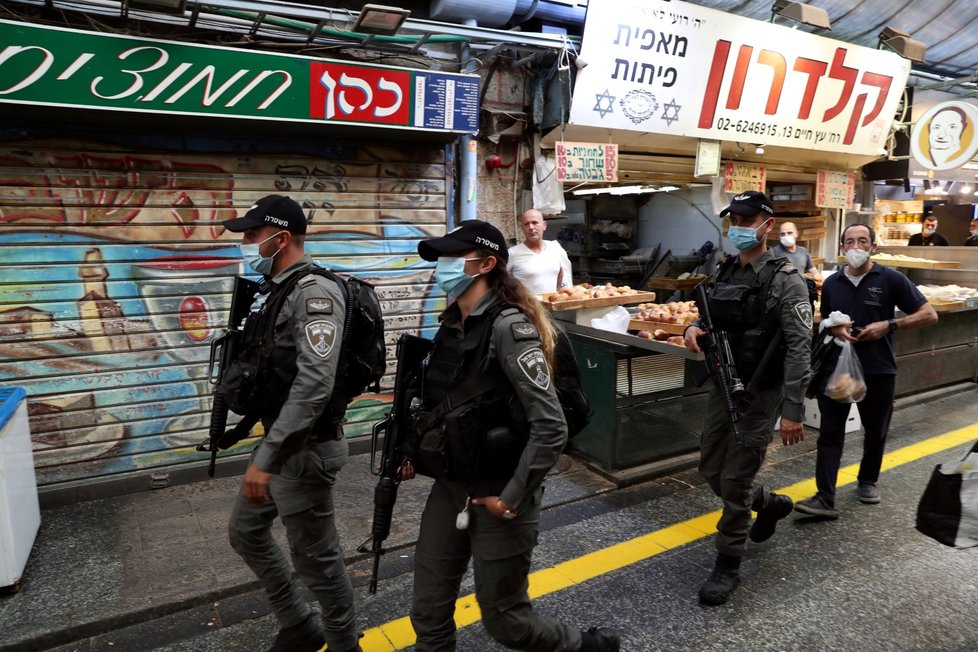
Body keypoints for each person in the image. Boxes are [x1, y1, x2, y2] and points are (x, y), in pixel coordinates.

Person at [404, 220, 619, 652]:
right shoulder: (452, 324)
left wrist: (512, 498)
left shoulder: (509, 328)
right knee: (427, 612)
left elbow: (551, 424)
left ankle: (586, 646)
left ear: (485, 264)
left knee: (507, 623)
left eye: (452, 257)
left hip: (501, 490)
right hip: (452, 487)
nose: (442, 266)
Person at [220, 195, 361, 652]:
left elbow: (314, 385)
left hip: (304, 452)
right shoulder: (274, 288)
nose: (245, 242)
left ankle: (343, 644)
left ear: (281, 238)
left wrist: (269, 454)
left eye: (251, 234)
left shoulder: (314, 293)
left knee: (317, 559)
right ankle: (299, 623)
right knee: (245, 531)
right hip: (281, 446)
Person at [683, 191, 812, 606]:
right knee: (710, 468)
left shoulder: (785, 279)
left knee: (735, 480)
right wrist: (692, 327)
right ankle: (769, 504)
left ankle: (728, 564)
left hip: (760, 393)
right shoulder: (725, 271)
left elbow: (799, 347)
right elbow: (709, 317)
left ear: (766, 224)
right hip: (724, 385)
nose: (737, 225)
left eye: (746, 218)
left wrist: (793, 410)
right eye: (733, 218)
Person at [795, 224, 938, 519]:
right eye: (850, 241)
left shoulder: (890, 278)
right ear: (843, 248)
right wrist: (832, 326)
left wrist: (890, 325)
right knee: (830, 434)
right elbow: (824, 319)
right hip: (837, 369)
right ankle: (824, 497)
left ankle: (868, 480)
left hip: (878, 369)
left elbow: (929, 314)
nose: (856, 246)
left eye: (862, 241)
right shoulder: (832, 282)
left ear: (873, 246)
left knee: (876, 431)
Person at [507, 209, 573, 294]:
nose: (531, 227)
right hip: (526, 306)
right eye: (526, 224)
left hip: (550, 305)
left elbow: (561, 272)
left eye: (535, 223)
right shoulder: (513, 253)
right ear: (522, 228)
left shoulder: (555, 248)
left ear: (544, 225)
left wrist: (556, 294)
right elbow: (501, 281)